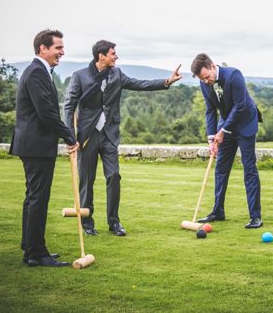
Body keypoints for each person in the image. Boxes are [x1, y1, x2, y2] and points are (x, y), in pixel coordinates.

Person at [63, 40, 182, 237]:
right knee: (87, 180)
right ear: (101, 56)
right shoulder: (79, 76)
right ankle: (87, 222)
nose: (116, 57)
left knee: (113, 176)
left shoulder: (116, 74)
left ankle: (114, 222)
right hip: (86, 136)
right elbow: (68, 106)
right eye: (113, 53)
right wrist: (69, 135)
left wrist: (167, 81)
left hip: (109, 135)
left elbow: (139, 84)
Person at [10, 29, 79, 267]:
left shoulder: (39, 71)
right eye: (58, 47)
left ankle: (31, 246)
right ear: (43, 49)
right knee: (38, 198)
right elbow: (47, 113)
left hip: (33, 145)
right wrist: (69, 136)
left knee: (33, 197)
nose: (62, 52)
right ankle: (37, 254)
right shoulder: (37, 73)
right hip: (36, 146)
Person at [191, 54, 263, 229]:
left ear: (213, 67)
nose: (206, 81)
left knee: (249, 169)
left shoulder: (234, 75)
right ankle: (218, 211)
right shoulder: (204, 83)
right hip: (226, 127)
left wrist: (222, 131)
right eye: (202, 79)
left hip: (245, 123)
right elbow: (210, 111)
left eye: (207, 77)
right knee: (221, 168)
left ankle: (255, 217)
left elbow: (240, 106)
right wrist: (210, 138)